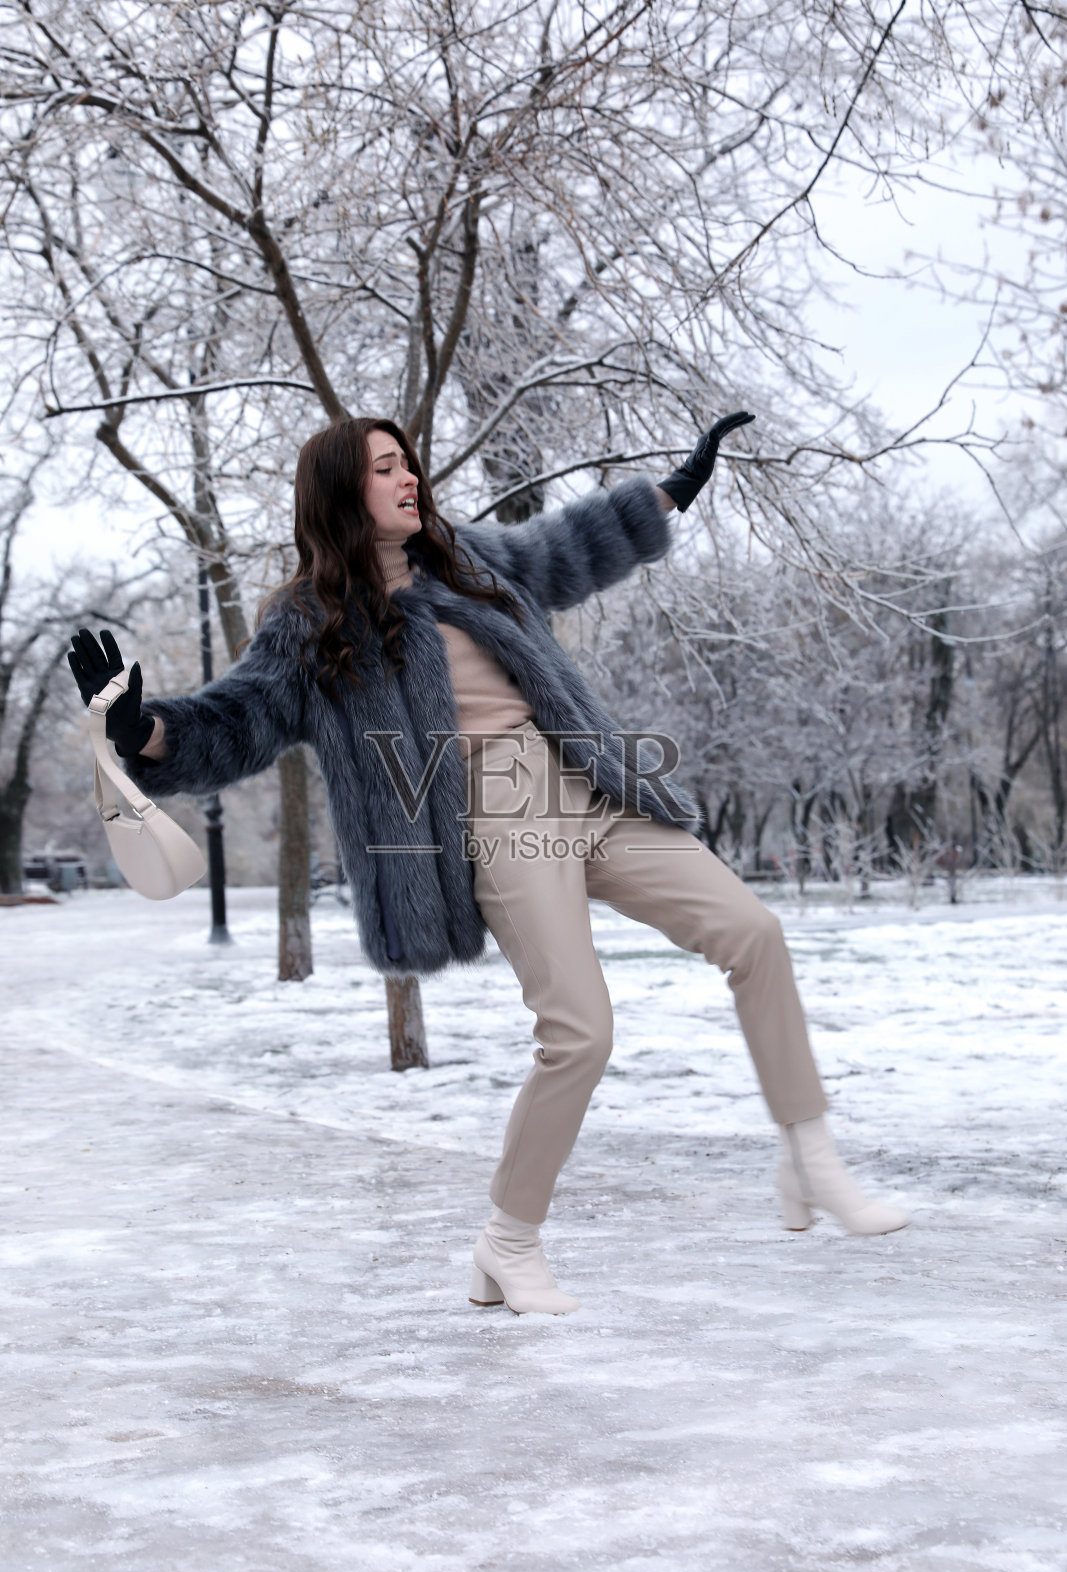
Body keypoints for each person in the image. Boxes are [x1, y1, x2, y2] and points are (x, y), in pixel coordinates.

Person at [68, 413, 909, 1317]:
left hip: (589, 789)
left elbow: (572, 547)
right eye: (385, 468)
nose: (408, 480)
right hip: (493, 822)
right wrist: (141, 730)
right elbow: (236, 722)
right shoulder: (311, 625)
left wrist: (672, 491)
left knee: (753, 931)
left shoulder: (469, 560)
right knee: (580, 1032)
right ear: (342, 494)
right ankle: (508, 1242)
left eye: (409, 464)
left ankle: (808, 1152)